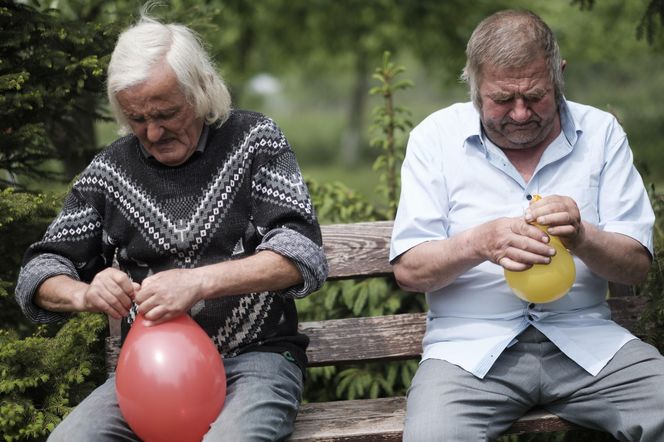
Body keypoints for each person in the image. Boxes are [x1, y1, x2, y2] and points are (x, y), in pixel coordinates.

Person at [15, 10, 328, 442]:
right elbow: (39, 270)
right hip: (149, 371)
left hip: (257, 359)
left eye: (166, 113)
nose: (154, 131)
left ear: (200, 90)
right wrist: (85, 292)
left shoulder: (254, 140)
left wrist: (199, 283)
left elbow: (301, 254)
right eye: (137, 119)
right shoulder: (109, 171)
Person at [390, 9, 664, 442]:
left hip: (588, 343)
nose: (519, 114)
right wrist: (479, 242)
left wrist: (584, 236)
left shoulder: (602, 132)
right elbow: (409, 270)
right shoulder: (435, 138)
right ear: (474, 84)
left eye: (535, 96)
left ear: (559, 74)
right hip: (469, 353)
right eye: (502, 99)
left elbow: (636, 267)